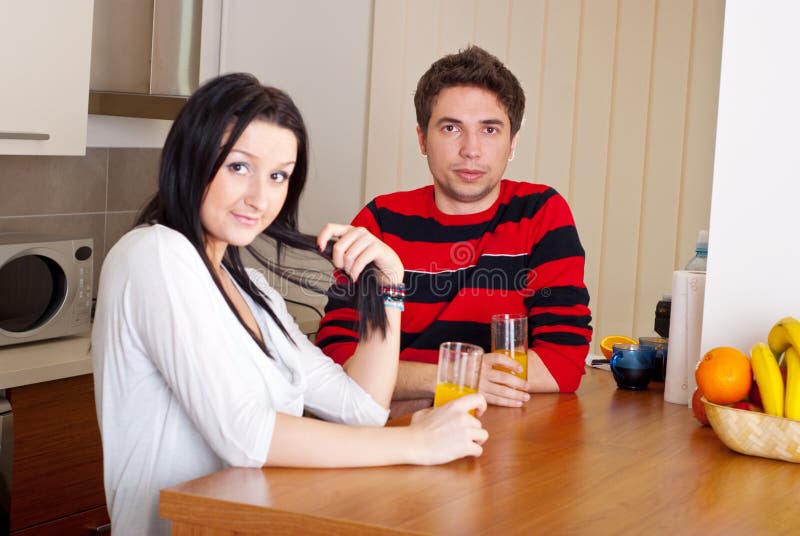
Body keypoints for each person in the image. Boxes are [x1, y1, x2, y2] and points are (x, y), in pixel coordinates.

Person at [91, 73, 488, 536]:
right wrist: (415, 444)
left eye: (278, 175)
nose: (260, 197)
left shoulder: (252, 291)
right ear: (193, 158)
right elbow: (244, 435)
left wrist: (389, 285)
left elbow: (361, 409)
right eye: (239, 166)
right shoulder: (155, 254)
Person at [316, 46, 593, 416]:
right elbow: (339, 363)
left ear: (512, 144)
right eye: (451, 128)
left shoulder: (541, 213)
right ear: (422, 139)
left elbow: (563, 362)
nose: (471, 150)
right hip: (397, 440)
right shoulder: (380, 221)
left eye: (490, 130)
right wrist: (465, 376)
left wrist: (409, 382)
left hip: (506, 443)